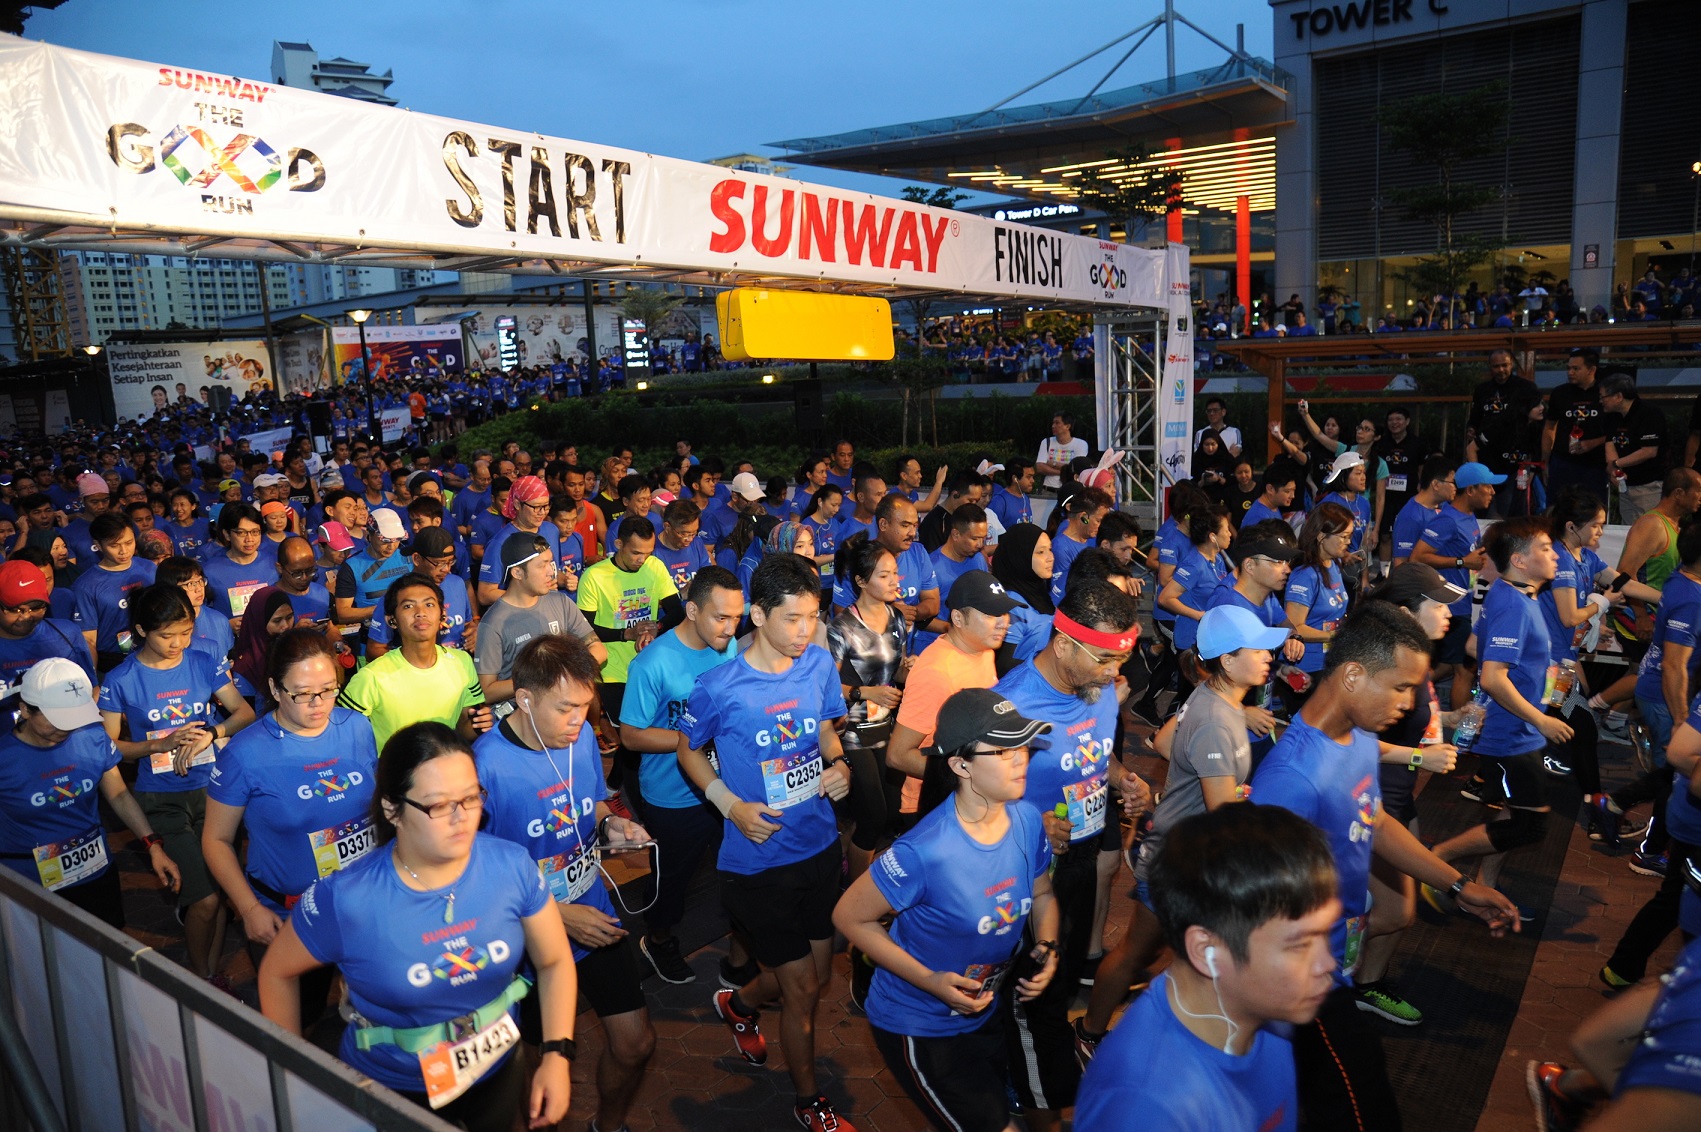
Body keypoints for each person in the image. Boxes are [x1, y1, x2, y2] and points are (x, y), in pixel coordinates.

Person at [1251, 602, 1520, 1127]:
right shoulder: (1291, 779)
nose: (1410, 702)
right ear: (1351, 675)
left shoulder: (1360, 737)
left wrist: (1458, 884)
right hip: (1305, 979)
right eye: (1400, 687)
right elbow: (1257, 908)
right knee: (1365, 1108)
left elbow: (1372, 820)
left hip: (1337, 965)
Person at [257, 722, 576, 1131]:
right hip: (391, 1088)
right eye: (439, 805)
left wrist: (555, 1054)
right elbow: (276, 971)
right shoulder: (348, 898)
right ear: (393, 809)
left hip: (498, 1070)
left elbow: (553, 962)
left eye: (471, 797)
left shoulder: (512, 865)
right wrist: (291, 1072)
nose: (462, 818)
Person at [676, 553, 857, 1132]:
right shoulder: (719, 686)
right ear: (757, 615)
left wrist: (839, 766)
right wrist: (729, 804)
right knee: (804, 987)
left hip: (820, 846)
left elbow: (827, 729)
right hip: (756, 861)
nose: (805, 631)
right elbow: (688, 749)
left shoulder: (820, 665)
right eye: (792, 620)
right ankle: (809, 1102)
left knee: (814, 974)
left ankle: (740, 1003)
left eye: (812, 617)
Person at [833, 688, 1059, 1132]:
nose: (1020, 758)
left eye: (1023, 745)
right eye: (1003, 749)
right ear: (960, 765)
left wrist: (1048, 944)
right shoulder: (926, 850)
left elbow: (1044, 895)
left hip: (981, 1008)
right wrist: (930, 981)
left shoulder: (1028, 819)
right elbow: (848, 917)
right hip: (919, 1023)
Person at [1075, 606, 1292, 1060]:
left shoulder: (1213, 698)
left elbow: (1165, 743)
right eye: (1258, 647)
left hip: (1186, 847)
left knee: (1167, 953)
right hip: (1179, 856)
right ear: (1227, 661)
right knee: (1141, 952)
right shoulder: (1216, 718)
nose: (1269, 654)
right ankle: (1092, 1033)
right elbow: (1222, 813)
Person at [475, 636, 657, 1132]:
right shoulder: (483, 767)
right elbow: (471, 878)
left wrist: (610, 826)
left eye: (585, 706)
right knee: (537, 1069)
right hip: (526, 940)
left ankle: (609, 1126)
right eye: (567, 709)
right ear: (525, 699)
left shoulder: (576, 738)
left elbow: (592, 805)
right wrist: (554, 914)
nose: (580, 721)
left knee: (636, 1043)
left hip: (593, 913)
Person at [995, 580, 1152, 1131]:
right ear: (1063, 643)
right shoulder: (1010, 704)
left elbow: (1094, 755)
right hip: (1027, 878)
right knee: (1028, 993)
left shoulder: (1097, 688)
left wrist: (1122, 780)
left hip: (1081, 863)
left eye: (1120, 659)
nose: (1115, 674)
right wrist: (1032, 823)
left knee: (1058, 987)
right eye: (1104, 659)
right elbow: (968, 800)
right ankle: (1028, 1098)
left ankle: (1044, 1065)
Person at [1077, 804, 1340, 1131]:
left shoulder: (1272, 1008)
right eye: (1299, 945)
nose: (1328, 962)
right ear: (1208, 950)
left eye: (1326, 933)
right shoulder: (1145, 1107)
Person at [202, 629, 378, 1023]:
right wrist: (247, 908)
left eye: (329, 689)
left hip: (358, 903)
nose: (319, 704)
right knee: (300, 1021)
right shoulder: (245, 754)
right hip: (289, 917)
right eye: (302, 693)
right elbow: (215, 839)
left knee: (369, 1013)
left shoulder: (356, 728)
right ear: (274, 689)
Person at [98, 583, 255, 982]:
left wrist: (214, 733)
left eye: (185, 632)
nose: (178, 643)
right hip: (162, 798)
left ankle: (212, 973)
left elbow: (243, 712)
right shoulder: (121, 679)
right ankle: (200, 978)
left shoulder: (204, 662)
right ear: (141, 631)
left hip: (215, 791)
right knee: (202, 898)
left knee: (218, 893)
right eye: (167, 635)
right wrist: (159, 744)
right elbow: (110, 748)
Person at [618, 566, 749, 988]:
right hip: (672, 795)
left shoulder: (724, 649)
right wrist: (690, 737)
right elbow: (631, 735)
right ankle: (656, 940)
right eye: (720, 617)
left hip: (722, 786)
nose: (730, 628)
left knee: (731, 872)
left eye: (736, 618)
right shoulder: (652, 663)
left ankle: (741, 951)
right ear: (692, 610)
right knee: (671, 882)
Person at [1426, 517, 1572, 896]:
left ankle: (1485, 884)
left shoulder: (1512, 592)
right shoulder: (1515, 605)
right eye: (1544, 548)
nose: (1554, 554)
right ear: (1520, 560)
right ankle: (1435, 860)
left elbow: (1475, 647)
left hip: (1516, 729)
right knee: (1530, 824)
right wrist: (1541, 719)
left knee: (1512, 812)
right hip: (1510, 734)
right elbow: (1492, 677)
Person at [1353, 564, 1466, 1026]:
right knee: (1396, 911)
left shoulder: (1414, 661)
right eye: (1437, 604)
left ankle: (1365, 985)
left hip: (1400, 800)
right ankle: (1322, 975)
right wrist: (1420, 759)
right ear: (1404, 612)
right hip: (1373, 802)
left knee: (1401, 909)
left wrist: (1452, 719)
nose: (1447, 614)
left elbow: (1416, 726)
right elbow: (1350, 743)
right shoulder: (1386, 667)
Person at [0, 657, 181, 926]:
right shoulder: (5, 759)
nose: (67, 727)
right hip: (31, 884)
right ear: (25, 710)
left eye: (74, 717)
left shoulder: (92, 737)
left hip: (96, 872)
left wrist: (152, 845)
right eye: (57, 719)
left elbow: (119, 795)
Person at [826, 533, 911, 882]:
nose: (894, 581)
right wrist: (867, 694)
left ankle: (844, 858)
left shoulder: (897, 618)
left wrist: (910, 668)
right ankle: (855, 893)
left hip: (887, 727)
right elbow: (828, 689)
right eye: (884, 575)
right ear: (861, 581)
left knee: (890, 812)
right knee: (874, 814)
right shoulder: (842, 627)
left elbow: (898, 668)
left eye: (895, 573)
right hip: (852, 732)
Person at [337, 573, 491, 750]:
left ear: (442, 615)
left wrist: (477, 725)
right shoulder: (371, 677)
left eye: (429, 604)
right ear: (391, 620)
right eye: (408, 606)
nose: (420, 613)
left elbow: (463, 729)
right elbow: (341, 735)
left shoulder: (462, 662)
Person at [475, 534, 604, 714]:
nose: (551, 572)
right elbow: (487, 691)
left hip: (562, 710)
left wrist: (563, 674)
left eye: (550, 563)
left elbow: (598, 649)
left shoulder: (561, 602)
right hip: (523, 718)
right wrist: (542, 680)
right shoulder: (493, 623)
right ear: (517, 573)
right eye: (542, 565)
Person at [1411, 461, 1501, 709]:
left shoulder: (1469, 516)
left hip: (1459, 604)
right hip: (1448, 605)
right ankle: (1461, 734)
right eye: (1488, 487)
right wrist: (1462, 561)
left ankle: (1405, 695)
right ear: (1470, 489)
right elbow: (1417, 557)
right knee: (1465, 671)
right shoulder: (1448, 520)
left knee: (1449, 664)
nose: (1493, 492)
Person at [831, 494, 938, 652]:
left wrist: (910, 613)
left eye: (915, 525)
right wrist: (890, 614)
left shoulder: (919, 553)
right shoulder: (860, 558)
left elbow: (933, 603)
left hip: (901, 657)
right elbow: (841, 615)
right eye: (905, 525)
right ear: (883, 524)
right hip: (861, 657)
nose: (912, 532)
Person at [71, 513, 156, 674]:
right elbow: (88, 640)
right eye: (114, 545)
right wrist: (93, 681)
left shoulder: (149, 568)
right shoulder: (86, 586)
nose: (124, 551)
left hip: (152, 654)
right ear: (98, 545)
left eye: (129, 542)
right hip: (112, 663)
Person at [1465, 349, 1542, 516]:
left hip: (1517, 463)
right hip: (1489, 455)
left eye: (1504, 365)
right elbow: (1475, 421)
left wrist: (1533, 469)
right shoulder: (1483, 391)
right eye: (1496, 366)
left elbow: (1537, 442)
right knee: (1490, 510)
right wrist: (1472, 430)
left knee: (1517, 510)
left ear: (1512, 364)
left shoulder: (1525, 388)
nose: (1501, 370)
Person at [0, 558, 94, 690]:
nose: (26, 616)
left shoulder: (67, 634)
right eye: (15, 610)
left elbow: (91, 689)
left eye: (36, 607)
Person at [1285, 502, 1354, 679]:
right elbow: (1294, 628)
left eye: (1350, 536)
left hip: (1331, 661)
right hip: (1308, 669)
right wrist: (1333, 636)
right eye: (1344, 536)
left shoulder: (1333, 565)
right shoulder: (1305, 576)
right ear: (1322, 536)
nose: (1349, 542)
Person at [1159, 504, 1234, 657]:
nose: (1230, 534)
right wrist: (1198, 615)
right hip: (1192, 641)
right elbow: (1165, 598)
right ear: (1213, 537)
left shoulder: (1218, 559)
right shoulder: (1194, 565)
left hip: (1210, 638)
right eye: (1226, 529)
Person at [476, 474, 561, 607]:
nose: (542, 512)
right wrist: (529, 594)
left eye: (546, 506)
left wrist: (565, 580)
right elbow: (485, 594)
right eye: (536, 507)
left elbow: (554, 573)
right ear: (517, 504)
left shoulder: (552, 530)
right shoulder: (500, 543)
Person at [334, 509, 411, 651]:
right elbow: (342, 614)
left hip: (409, 640)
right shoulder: (352, 567)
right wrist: (382, 609)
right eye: (385, 540)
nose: (391, 546)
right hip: (371, 643)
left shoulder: (409, 557)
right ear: (369, 534)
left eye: (396, 540)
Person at [1600, 372, 1668, 524]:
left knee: (1648, 530)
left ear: (1618, 396)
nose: (1601, 401)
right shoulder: (1613, 416)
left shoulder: (1649, 413)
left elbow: (1649, 451)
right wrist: (1613, 470)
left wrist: (1617, 464)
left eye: (1603, 397)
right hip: (1625, 484)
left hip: (1648, 486)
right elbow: (1610, 443)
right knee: (1628, 532)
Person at [1544, 347, 1608, 501]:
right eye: (1568, 368)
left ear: (1591, 369)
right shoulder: (1559, 393)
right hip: (1562, 462)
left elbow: (1616, 430)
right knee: (1556, 509)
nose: (1570, 372)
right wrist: (1545, 461)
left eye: (1576, 368)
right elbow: (1549, 426)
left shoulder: (1605, 393)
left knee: (1593, 510)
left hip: (1595, 464)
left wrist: (1593, 443)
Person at [989, 523, 1055, 671]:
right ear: (1020, 556)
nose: (1050, 558)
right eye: (1040, 552)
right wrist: (1053, 666)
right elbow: (1003, 664)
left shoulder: (1039, 593)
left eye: (1050, 550)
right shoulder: (1013, 604)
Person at [202, 502, 278, 629]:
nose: (249, 539)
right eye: (241, 533)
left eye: (255, 532)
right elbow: (201, 614)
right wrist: (225, 626)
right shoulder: (209, 571)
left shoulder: (274, 564)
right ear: (227, 534)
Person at [227, 586, 298, 705]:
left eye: (289, 617)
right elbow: (247, 717)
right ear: (260, 621)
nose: (285, 625)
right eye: (277, 620)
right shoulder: (246, 666)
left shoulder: (299, 650)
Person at [1047, 488, 1113, 606]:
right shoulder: (1061, 547)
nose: (1101, 526)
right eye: (1098, 520)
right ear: (1084, 517)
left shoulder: (1093, 539)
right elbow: (1060, 594)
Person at [1390, 456, 1456, 568]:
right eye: (1452, 482)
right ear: (1436, 484)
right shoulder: (1411, 516)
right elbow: (1400, 564)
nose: (1455, 487)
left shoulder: (1445, 507)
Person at [1036, 413, 1089, 494]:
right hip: (1047, 490)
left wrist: (1052, 463)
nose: (1053, 426)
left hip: (1069, 490)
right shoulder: (1046, 442)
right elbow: (1039, 467)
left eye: (1057, 423)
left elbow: (1077, 468)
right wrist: (1064, 472)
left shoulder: (1081, 444)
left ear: (1067, 426)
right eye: (1053, 423)